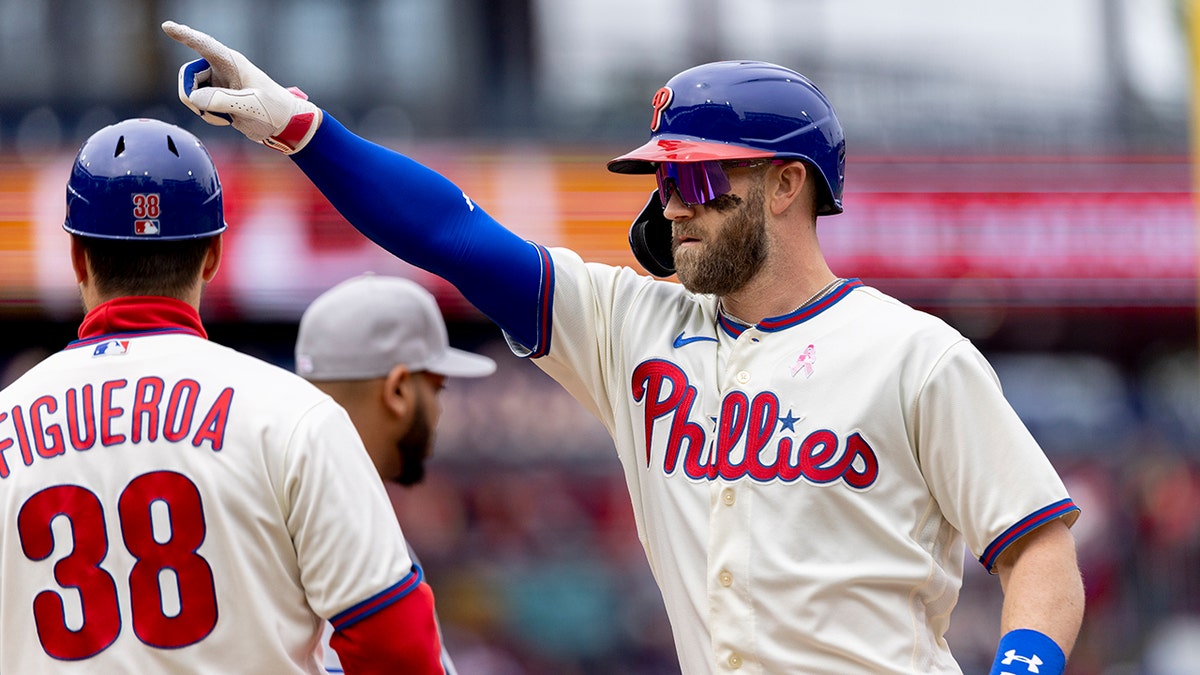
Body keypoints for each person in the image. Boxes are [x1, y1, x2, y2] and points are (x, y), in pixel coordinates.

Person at [163, 21, 1086, 674]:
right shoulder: (631, 327)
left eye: (696, 172)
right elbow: (450, 232)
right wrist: (299, 128)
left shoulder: (914, 354)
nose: (672, 198)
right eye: (664, 174)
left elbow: (1040, 552)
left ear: (785, 184)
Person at [0, 118, 445, 674]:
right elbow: (398, 650)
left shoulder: (6, 422)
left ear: (77, 259)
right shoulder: (296, 416)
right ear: (212, 256)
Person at [295, 273, 497, 674]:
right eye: (437, 389)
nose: (439, 411)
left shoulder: (274, 494)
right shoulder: (349, 522)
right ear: (398, 391)